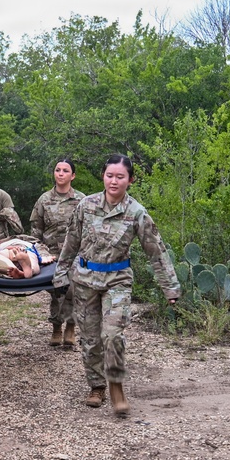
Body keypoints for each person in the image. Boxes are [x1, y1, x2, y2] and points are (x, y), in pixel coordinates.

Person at [54, 154, 180, 417]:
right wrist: (61, 274)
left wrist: (170, 288)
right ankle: (96, 386)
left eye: (120, 177)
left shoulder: (136, 212)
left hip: (118, 281)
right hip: (86, 280)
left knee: (112, 335)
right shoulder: (85, 206)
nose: (114, 181)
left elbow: (156, 251)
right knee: (89, 340)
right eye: (110, 175)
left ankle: (116, 385)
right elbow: (71, 242)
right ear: (103, 176)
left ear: (130, 180)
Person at [31, 159, 86, 347]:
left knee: (72, 290)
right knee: (56, 292)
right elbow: (36, 229)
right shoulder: (44, 199)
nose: (60, 173)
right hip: (51, 254)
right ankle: (56, 326)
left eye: (65, 170)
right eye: (57, 170)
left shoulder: (81, 200)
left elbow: (87, 228)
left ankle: (70, 327)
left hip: (74, 254)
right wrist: (38, 253)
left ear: (73, 175)